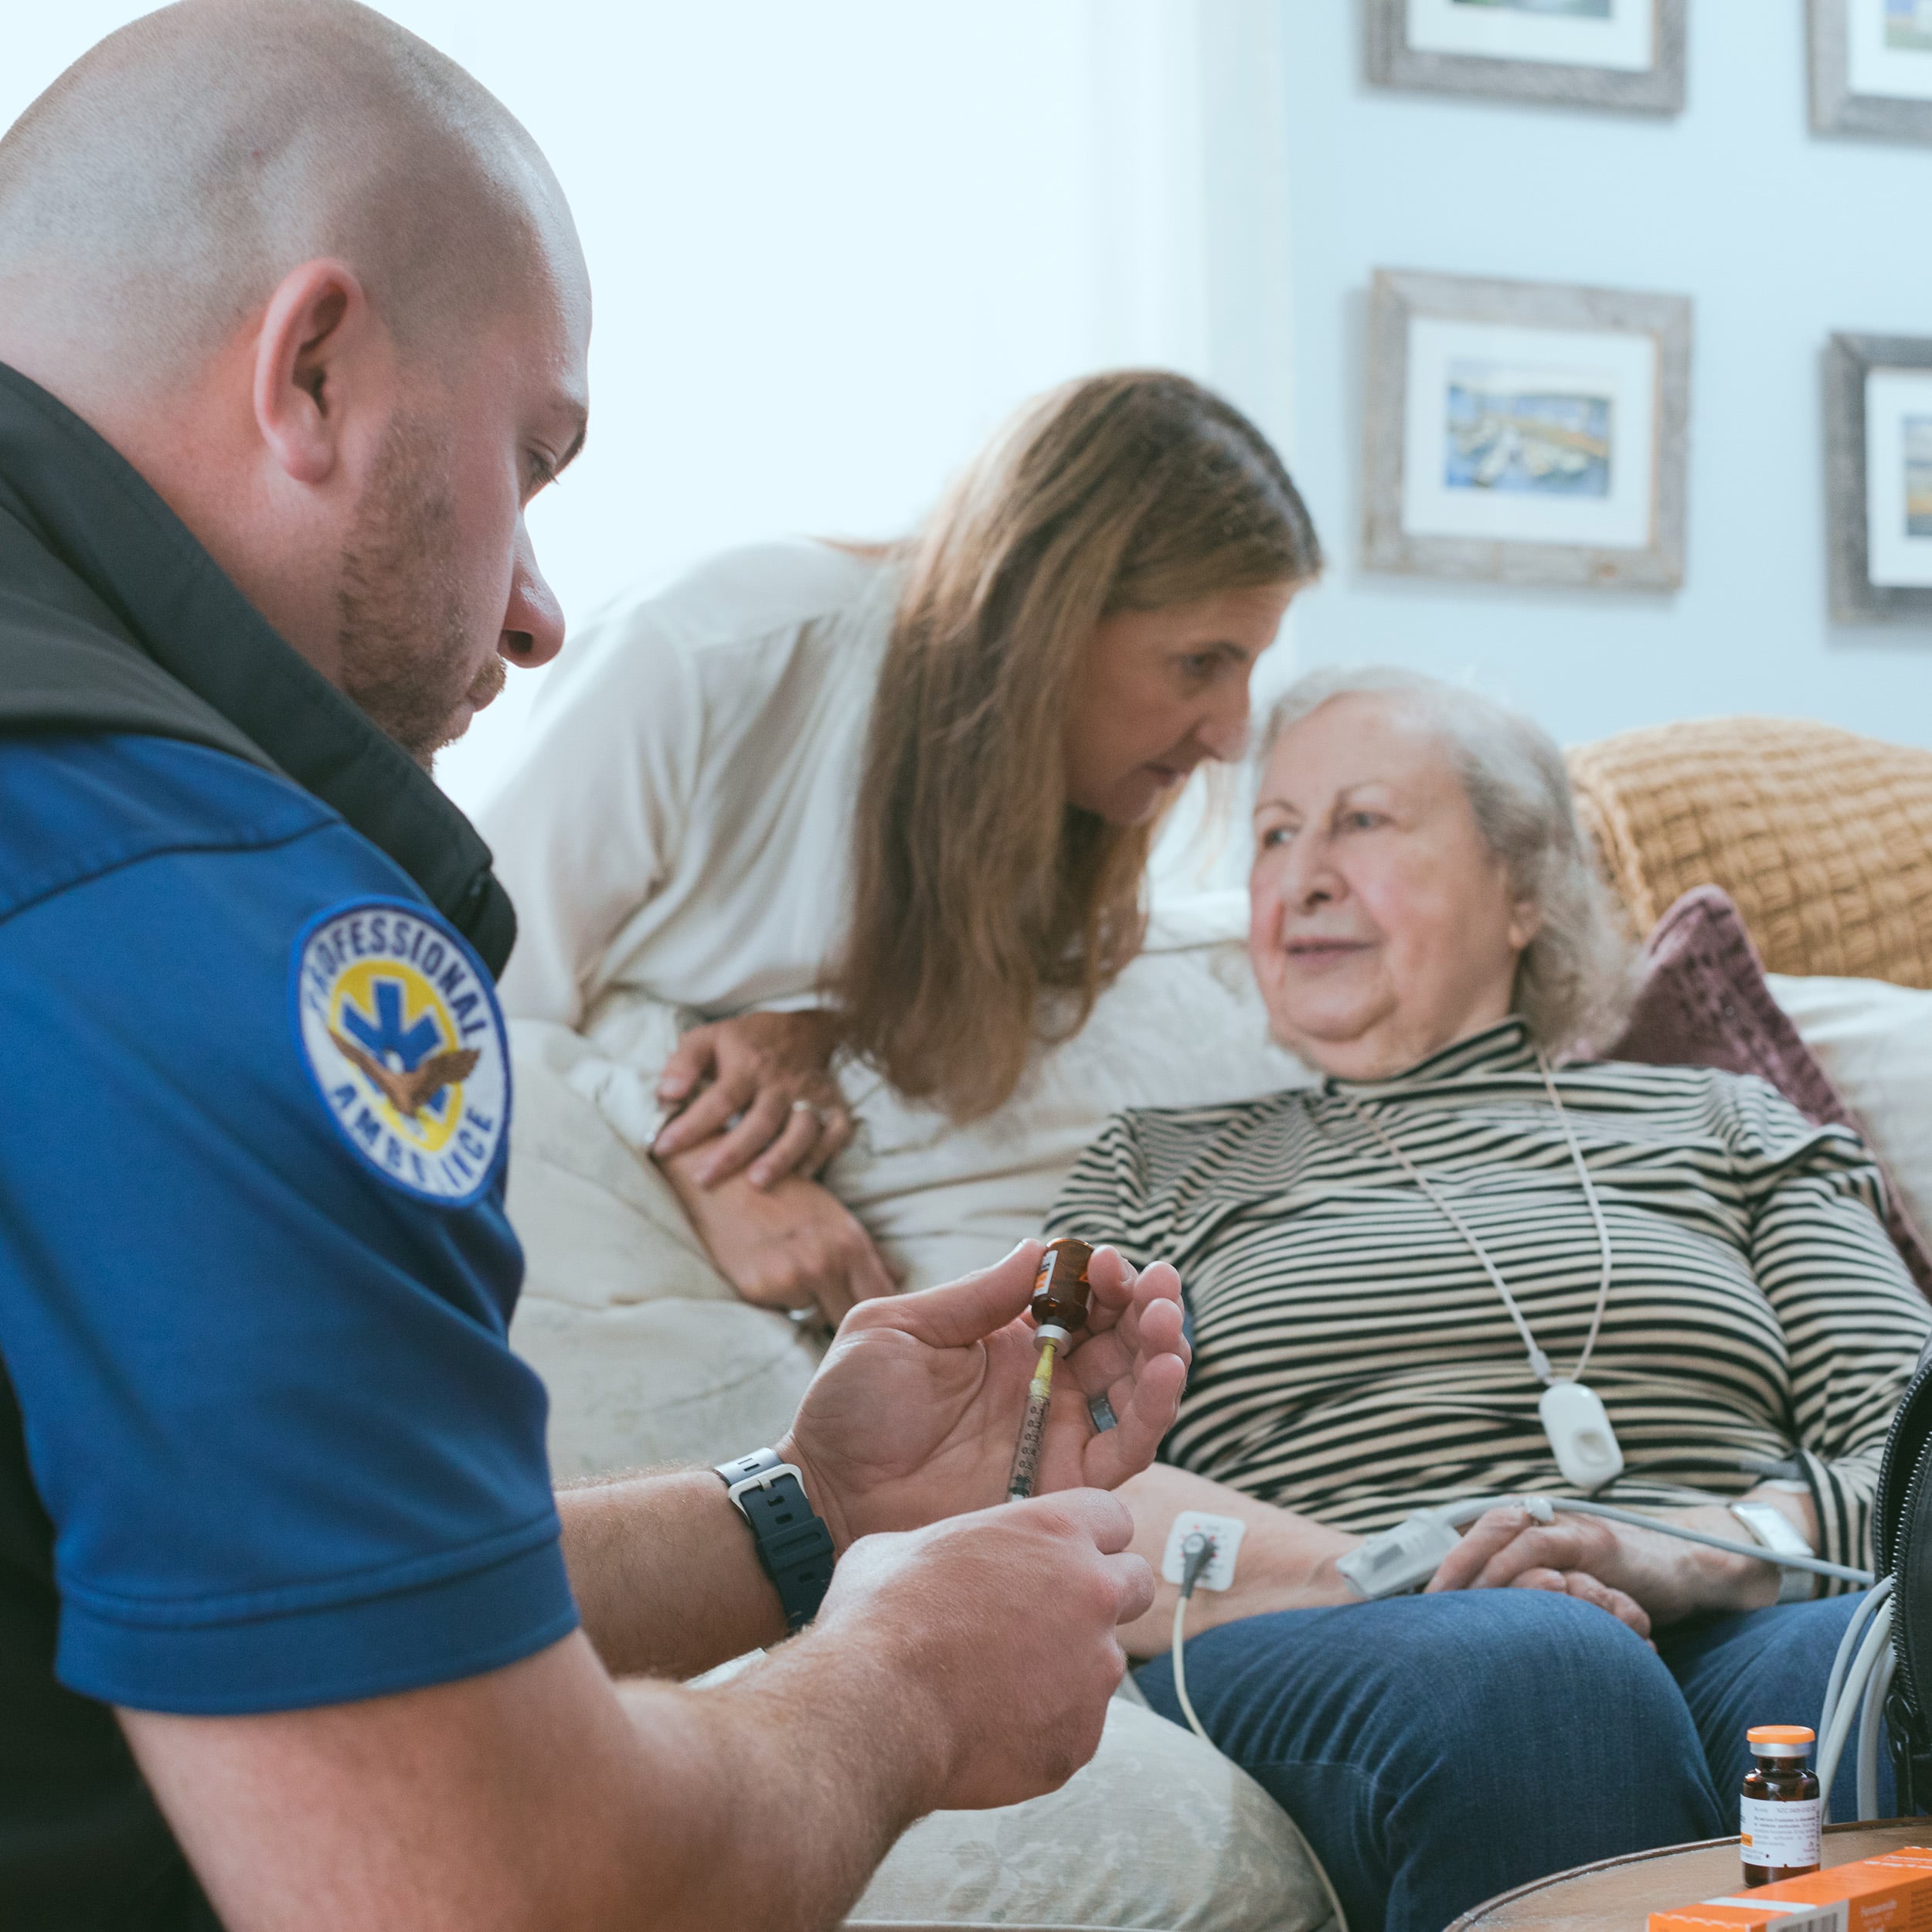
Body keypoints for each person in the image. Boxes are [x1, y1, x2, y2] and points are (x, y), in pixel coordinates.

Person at [0, 7, 1189, 1929]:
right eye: (531, 459)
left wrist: (810, 1519)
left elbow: (261, 1580)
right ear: (310, 368)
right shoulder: (205, 914)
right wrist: (906, 1680)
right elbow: (490, 1886)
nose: (542, 612)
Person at [1048, 666, 1932, 1932]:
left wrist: (1673, 1556)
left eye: (1360, 822)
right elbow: (1061, 1469)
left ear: (1525, 887)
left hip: (1739, 1607)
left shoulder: (1728, 1126)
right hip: (1348, 1632)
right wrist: (1408, 1568)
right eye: (1274, 835)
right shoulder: (1156, 1165)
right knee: (1549, 1668)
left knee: (1878, 1668)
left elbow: (1914, 1477)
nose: (1300, 876)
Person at [481, 370, 1323, 1325]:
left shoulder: (1064, 796)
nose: (1231, 734)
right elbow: (463, 995)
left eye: (1248, 666)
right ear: (1048, 610)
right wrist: (692, 1149)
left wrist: (815, 1024)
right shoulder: (712, 651)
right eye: (1200, 663)